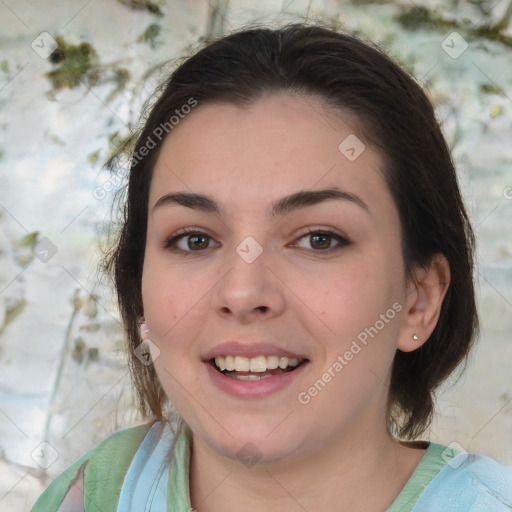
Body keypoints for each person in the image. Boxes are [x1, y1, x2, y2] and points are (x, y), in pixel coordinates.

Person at [30, 21, 512, 512]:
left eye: (318, 239)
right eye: (194, 239)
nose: (242, 292)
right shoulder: (95, 495)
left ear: (418, 299)